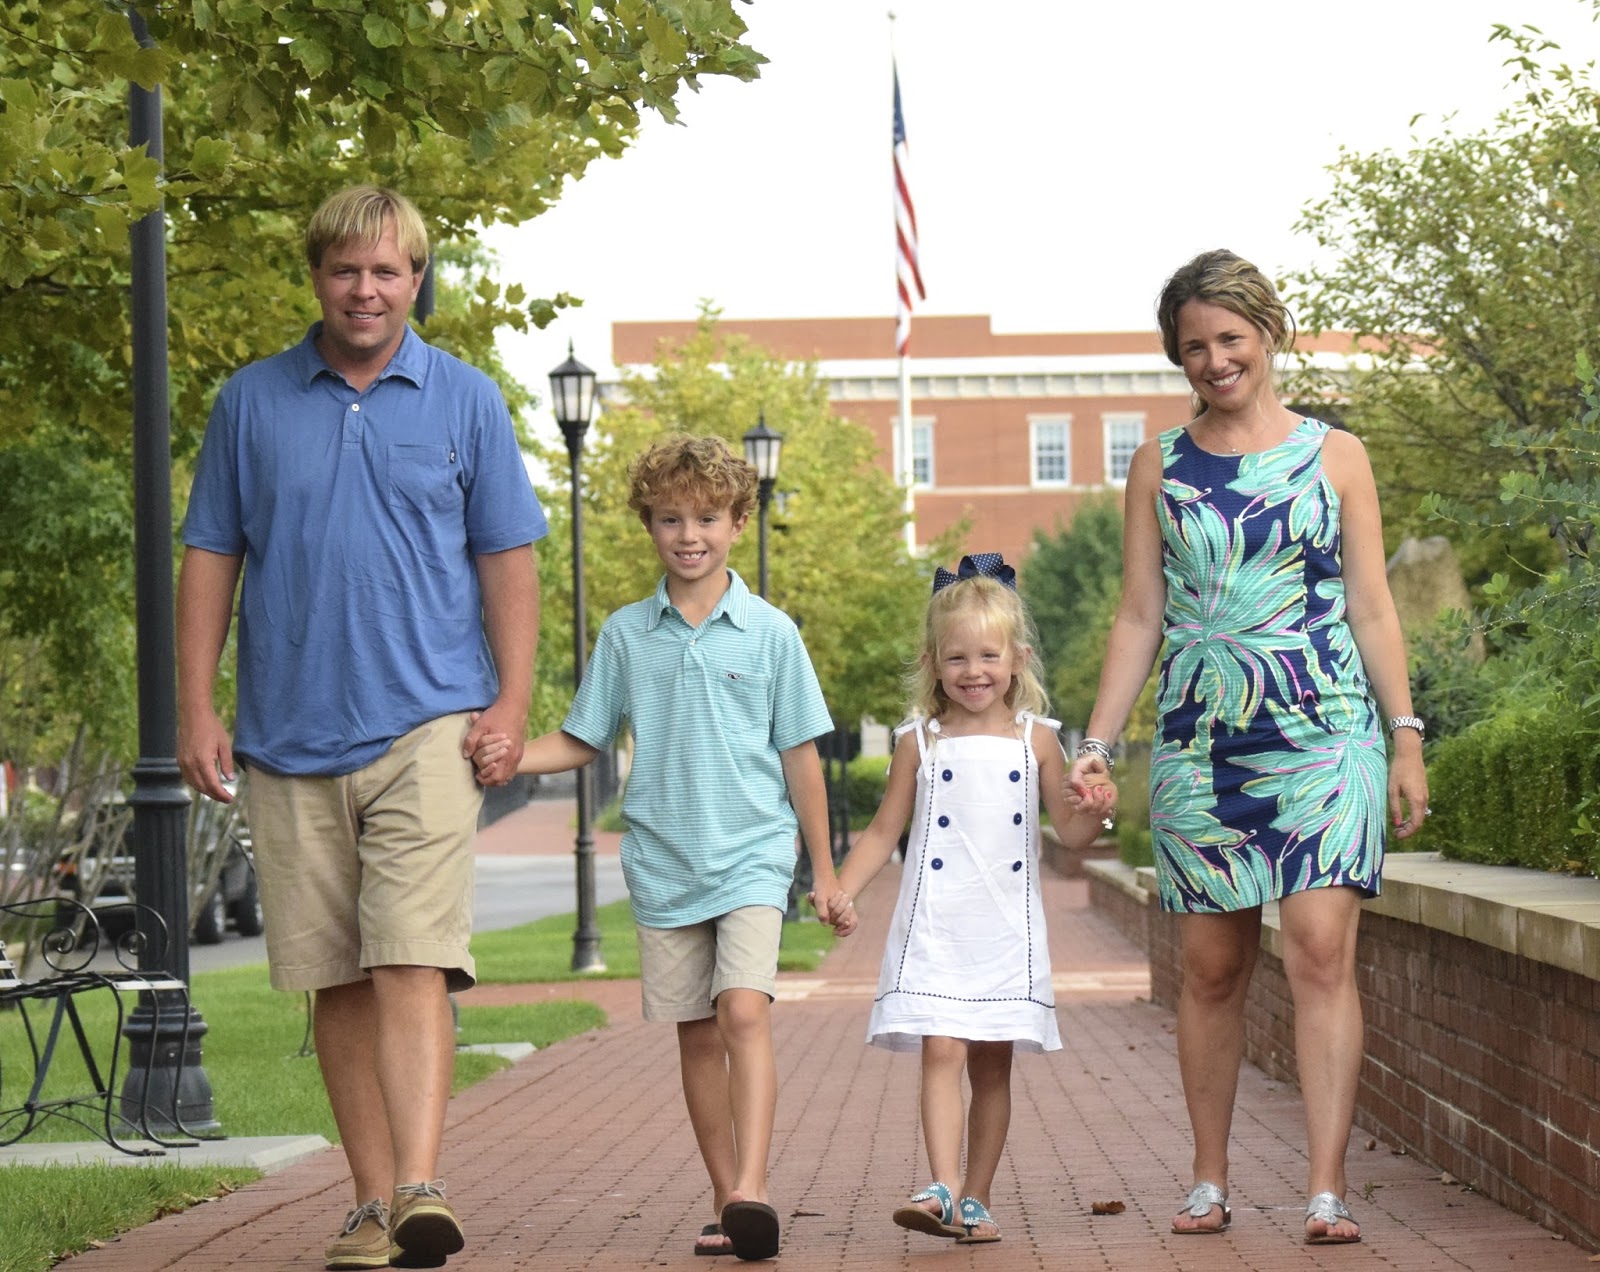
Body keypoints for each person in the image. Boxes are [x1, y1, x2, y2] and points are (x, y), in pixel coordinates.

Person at [176, 185, 546, 1271]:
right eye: (346, 270)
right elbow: (211, 556)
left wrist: (510, 703)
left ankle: (422, 1187)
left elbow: (508, 559)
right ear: (316, 278)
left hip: (427, 720)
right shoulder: (249, 403)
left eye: (388, 271)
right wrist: (196, 706)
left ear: (417, 280)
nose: (366, 290)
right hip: (286, 732)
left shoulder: (466, 400)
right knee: (335, 974)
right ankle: (372, 1201)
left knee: (410, 957)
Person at [1065, 249, 1428, 1246]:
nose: (1215, 360)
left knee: (1319, 952)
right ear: (1177, 358)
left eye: (1229, 338)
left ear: (1267, 332)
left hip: (1326, 734)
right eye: (1194, 347)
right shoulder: (1160, 465)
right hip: (1202, 740)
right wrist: (1097, 742)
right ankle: (1208, 1180)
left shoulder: (1336, 456)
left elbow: (1372, 606)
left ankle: (1325, 1189)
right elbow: (1139, 615)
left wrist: (1403, 736)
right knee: (1212, 968)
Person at [472, 434, 839, 1262]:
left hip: (752, 853)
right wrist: (508, 755)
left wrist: (822, 870)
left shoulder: (771, 634)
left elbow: (801, 758)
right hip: (663, 863)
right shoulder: (627, 635)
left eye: (707, 517)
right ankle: (725, 1197)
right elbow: (583, 739)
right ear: (648, 525)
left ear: (738, 522)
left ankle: (753, 1187)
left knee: (742, 1009)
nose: (689, 534)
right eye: (670, 518)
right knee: (696, 1035)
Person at [811, 553, 1117, 1247]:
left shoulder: (1039, 739)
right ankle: (943, 1185)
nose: (973, 671)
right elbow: (884, 829)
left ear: (1017, 659)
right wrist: (841, 889)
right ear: (932, 663)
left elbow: (1068, 832)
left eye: (988, 656)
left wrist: (1097, 810)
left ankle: (976, 1197)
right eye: (957, 658)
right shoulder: (919, 741)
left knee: (992, 1065)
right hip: (936, 924)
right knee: (941, 1049)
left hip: (1005, 928)